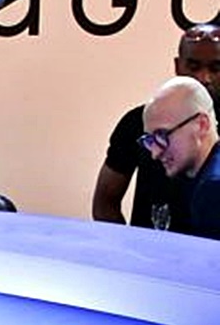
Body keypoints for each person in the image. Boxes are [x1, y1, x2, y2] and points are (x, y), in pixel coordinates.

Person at [91, 22, 220, 231]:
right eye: (193, 66)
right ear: (178, 66)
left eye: (216, 68)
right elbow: (105, 202)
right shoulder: (137, 122)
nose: (204, 78)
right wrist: (128, 247)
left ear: (203, 126)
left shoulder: (212, 185)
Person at [140, 76, 220, 240]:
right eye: (150, 140)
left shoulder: (213, 190)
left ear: (201, 125)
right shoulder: (190, 177)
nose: (155, 153)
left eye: (162, 135)